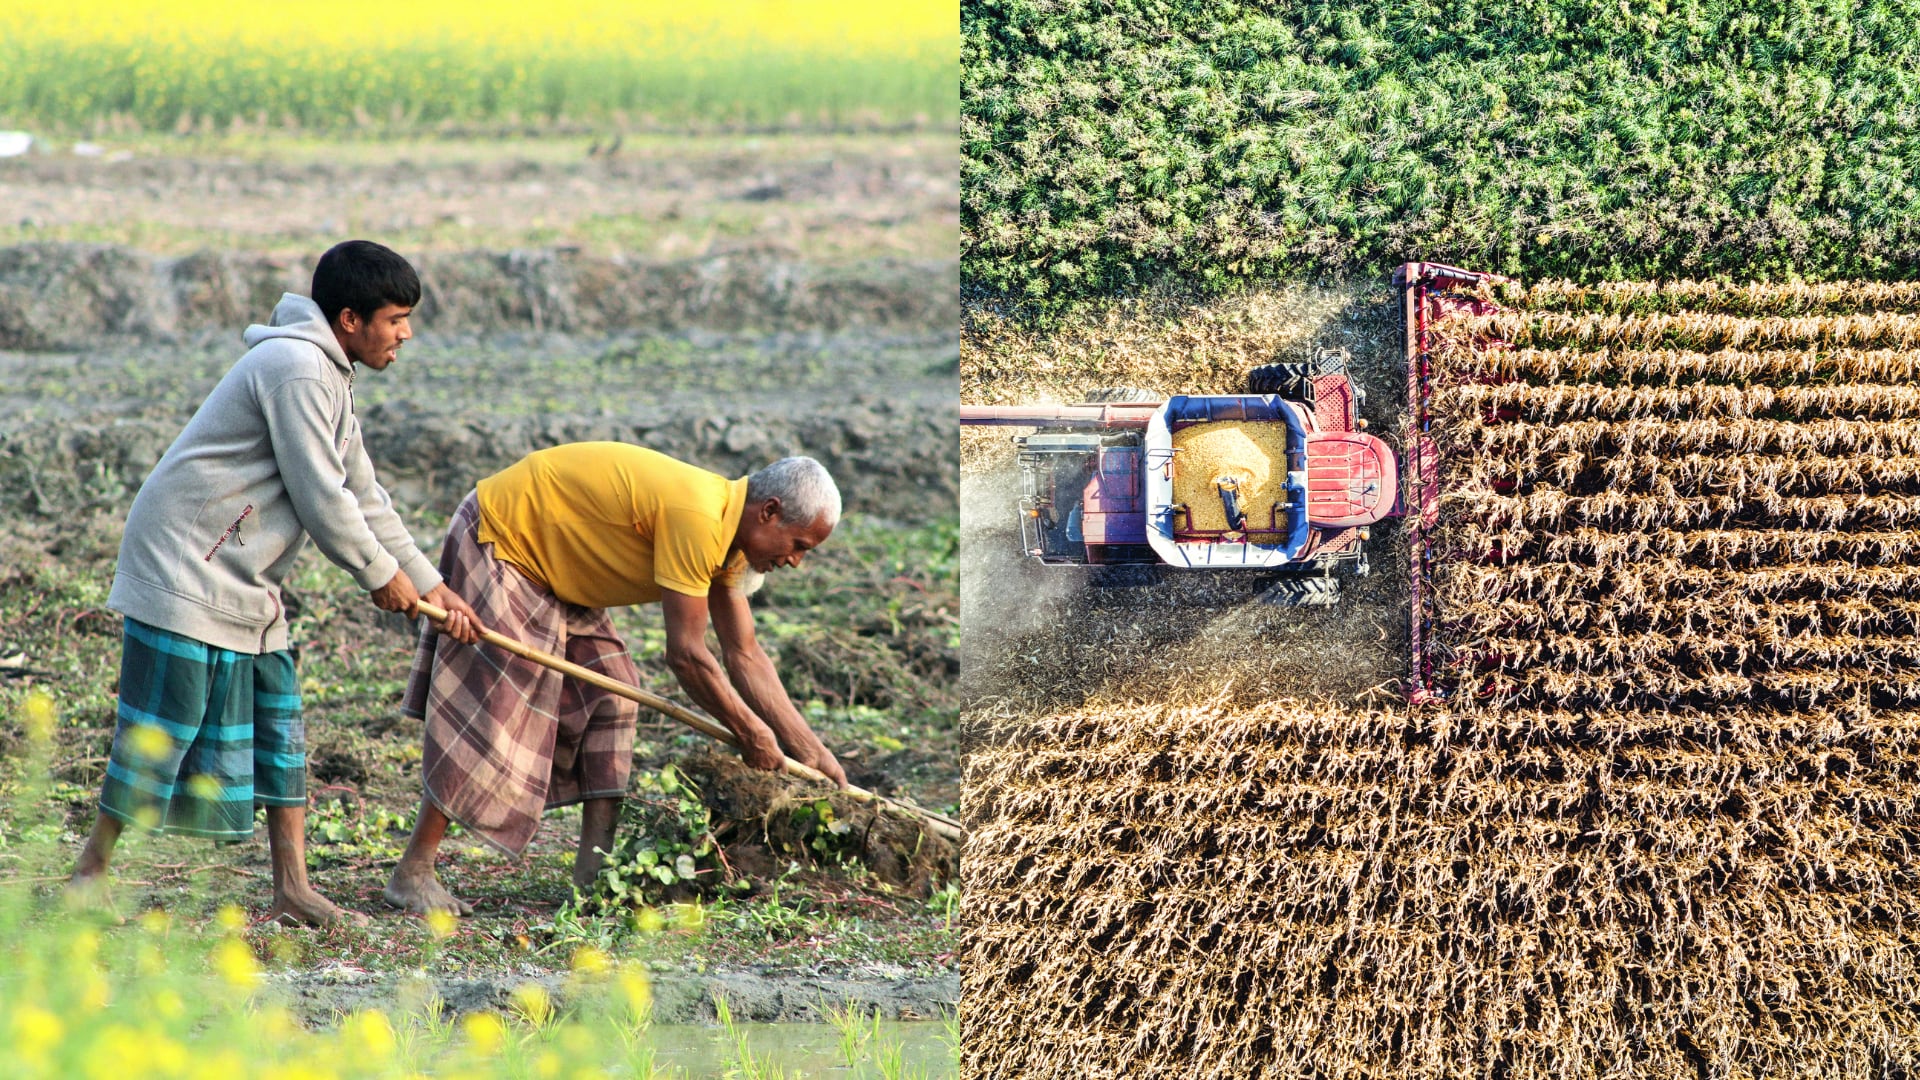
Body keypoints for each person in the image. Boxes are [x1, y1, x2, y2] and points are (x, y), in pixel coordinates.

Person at [66, 240, 484, 926]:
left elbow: (365, 494)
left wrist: (431, 585)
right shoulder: (294, 367)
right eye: (395, 318)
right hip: (189, 561)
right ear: (350, 319)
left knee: (280, 724)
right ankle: (91, 872)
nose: (405, 333)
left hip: (245, 570)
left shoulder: (330, 373)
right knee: (161, 726)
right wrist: (380, 581)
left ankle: (293, 889)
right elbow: (322, 498)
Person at [382, 443, 849, 916]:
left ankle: (592, 878)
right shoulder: (700, 516)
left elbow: (744, 654)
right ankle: (413, 871)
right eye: (798, 547)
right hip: (505, 539)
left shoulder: (732, 542)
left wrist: (809, 749)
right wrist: (752, 733)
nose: (794, 562)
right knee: (499, 702)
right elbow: (688, 656)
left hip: (559, 568)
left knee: (612, 696)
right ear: (769, 512)